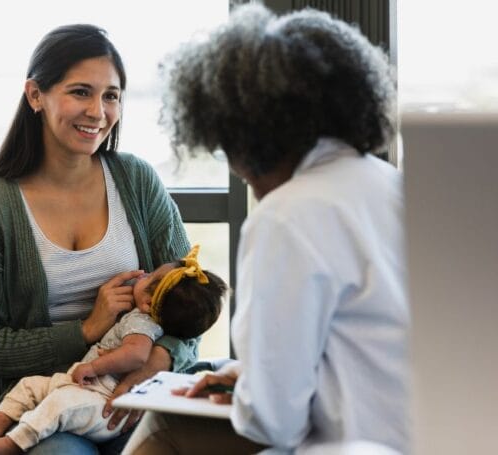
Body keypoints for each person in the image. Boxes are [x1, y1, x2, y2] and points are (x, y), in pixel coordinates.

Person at [123, 3, 409, 454]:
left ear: (245, 136)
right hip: (419, 434)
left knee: (163, 423)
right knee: (215, 370)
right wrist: (246, 379)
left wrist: (251, 393)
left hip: (349, 443)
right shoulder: (390, 185)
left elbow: (274, 423)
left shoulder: (287, 216)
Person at [0, 23, 198, 455]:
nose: (98, 111)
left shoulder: (137, 181)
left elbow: (191, 294)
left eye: (111, 95)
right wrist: (85, 330)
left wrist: (152, 366)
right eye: (80, 92)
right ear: (35, 95)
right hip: (25, 412)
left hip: (132, 398)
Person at [0, 246, 226, 454]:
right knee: (30, 386)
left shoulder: (141, 324)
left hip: (102, 401)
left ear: (148, 303)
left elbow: (138, 354)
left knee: (59, 405)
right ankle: (0, 419)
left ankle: (12, 443)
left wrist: (158, 358)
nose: (143, 274)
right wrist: (85, 330)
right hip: (79, 385)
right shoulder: (142, 317)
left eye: (151, 277)